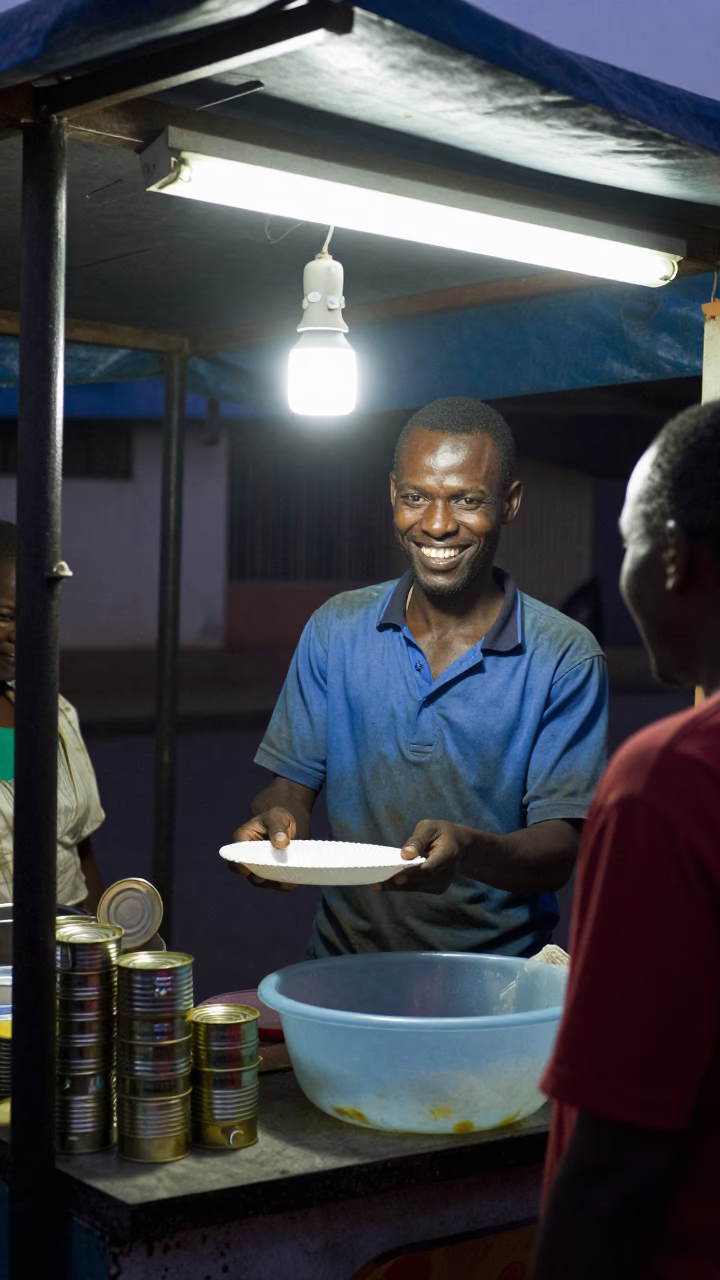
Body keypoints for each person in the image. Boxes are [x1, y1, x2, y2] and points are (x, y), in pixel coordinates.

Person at [231, 397, 608, 959]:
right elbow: (291, 783)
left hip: (495, 981)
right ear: (392, 495)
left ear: (510, 503)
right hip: (343, 965)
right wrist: (276, 824)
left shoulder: (565, 656)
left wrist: (469, 851)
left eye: (467, 500)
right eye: (416, 497)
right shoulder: (336, 628)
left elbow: (558, 852)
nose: (436, 524)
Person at [533, 401, 720, 1280]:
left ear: (676, 555)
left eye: (630, 547)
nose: (626, 577)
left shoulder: (670, 782)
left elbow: (617, 1164)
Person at [0, 520, 105, 911]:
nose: (20, 633)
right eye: (3, 617)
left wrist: (106, 946)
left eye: (31, 616)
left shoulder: (54, 714)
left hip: (66, 954)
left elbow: (81, 854)